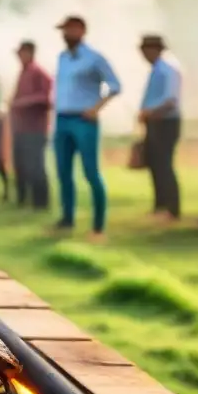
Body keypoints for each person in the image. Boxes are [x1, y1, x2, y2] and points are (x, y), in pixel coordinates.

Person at [52, 15, 121, 238]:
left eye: (68, 30)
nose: (64, 34)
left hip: (83, 120)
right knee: (63, 172)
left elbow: (115, 85)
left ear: (80, 30)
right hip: (62, 119)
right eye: (63, 30)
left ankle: (98, 227)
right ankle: (67, 219)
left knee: (91, 172)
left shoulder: (94, 58)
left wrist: (96, 107)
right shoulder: (62, 57)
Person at [137, 34, 182, 221]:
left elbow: (170, 100)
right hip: (154, 121)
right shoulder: (155, 70)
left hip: (166, 121)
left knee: (164, 164)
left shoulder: (167, 70)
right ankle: (159, 206)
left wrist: (150, 112)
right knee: (154, 163)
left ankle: (171, 209)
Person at [9, 41, 53, 209]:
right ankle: (22, 199)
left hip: (35, 129)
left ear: (30, 53)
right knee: (20, 165)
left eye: (22, 53)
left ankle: (40, 203)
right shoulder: (23, 72)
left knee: (35, 166)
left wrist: (21, 103)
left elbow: (45, 99)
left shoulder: (39, 73)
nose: (19, 57)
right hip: (20, 127)